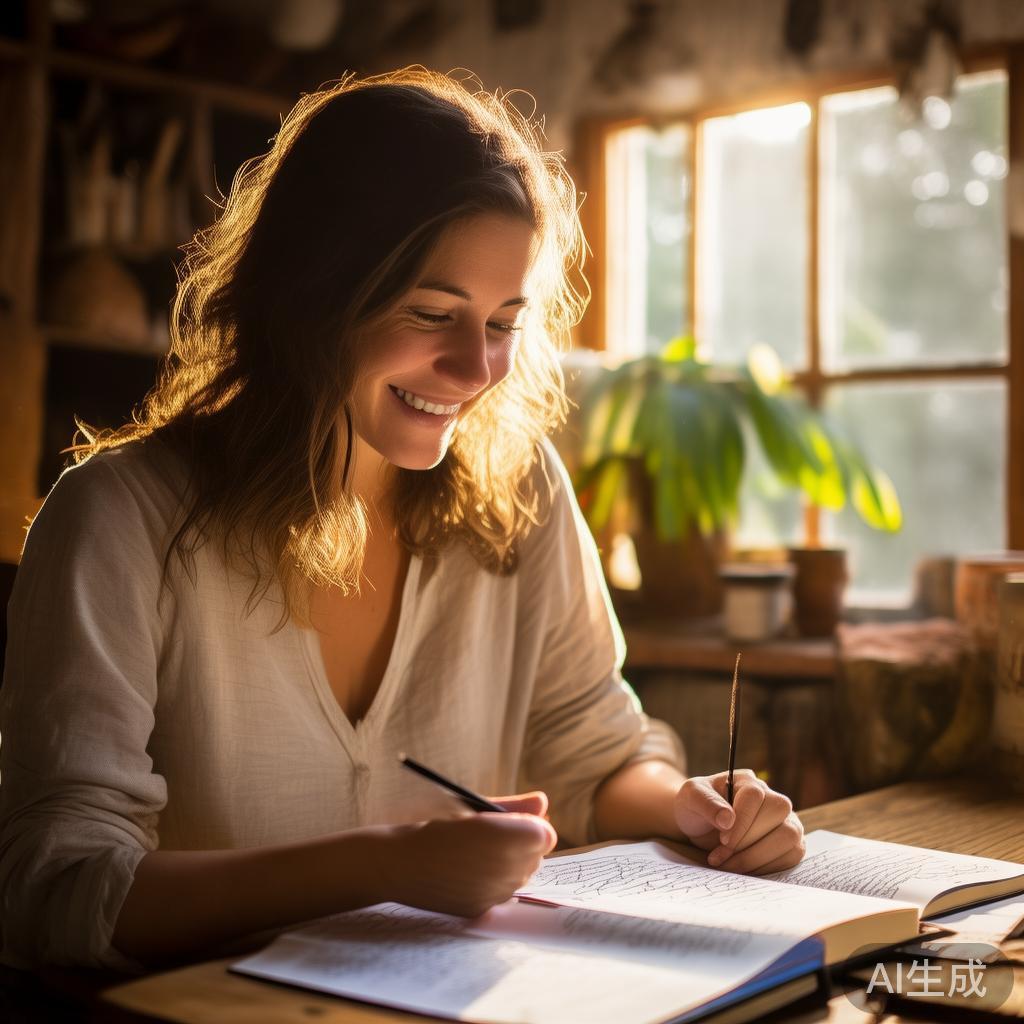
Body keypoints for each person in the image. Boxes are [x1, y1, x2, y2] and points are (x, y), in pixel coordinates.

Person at [0, 66, 804, 971]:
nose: (476, 368)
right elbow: (56, 889)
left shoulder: (521, 489)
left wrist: (685, 804)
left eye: (504, 323)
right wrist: (381, 867)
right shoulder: (119, 518)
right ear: (310, 293)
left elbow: (593, 755)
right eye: (432, 312)